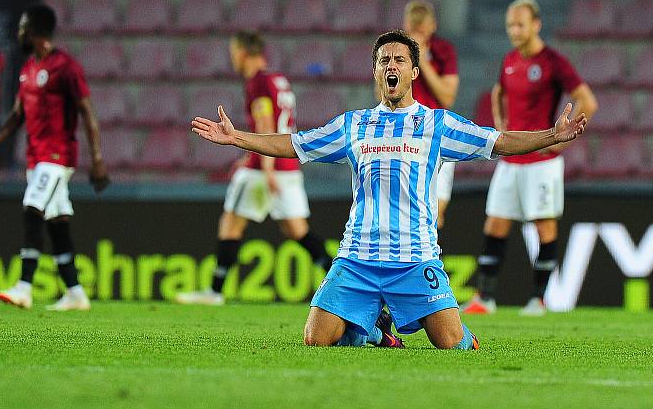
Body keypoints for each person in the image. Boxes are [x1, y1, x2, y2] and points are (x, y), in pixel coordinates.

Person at [189, 30, 587, 349]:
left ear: (414, 72)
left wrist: (551, 135)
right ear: (376, 73)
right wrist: (238, 138)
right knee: (315, 337)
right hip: (357, 257)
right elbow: (294, 144)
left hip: (415, 258)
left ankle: (429, 327)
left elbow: (498, 141)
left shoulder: (437, 125)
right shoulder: (354, 125)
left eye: (399, 59)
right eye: (384, 61)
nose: (390, 65)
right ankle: (375, 332)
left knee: (451, 342)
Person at [462, 0, 598, 317]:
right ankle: (485, 297)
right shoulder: (509, 59)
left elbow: (587, 101)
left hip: (542, 163)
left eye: (520, 23)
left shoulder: (552, 62)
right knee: (495, 223)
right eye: (510, 24)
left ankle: (538, 299)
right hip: (511, 160)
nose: (514, 29)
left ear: (536, 24)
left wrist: (559, 144)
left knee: (544, 227)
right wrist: (500, 125)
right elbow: (498, 92)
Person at [175, 30, 333, 306]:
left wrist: (266, 167)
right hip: (289, 164)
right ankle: (341, 283)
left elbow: (265, 125)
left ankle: (214, 291)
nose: (232, 58)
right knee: (298, 231)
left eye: (234, 52)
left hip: (265, 168)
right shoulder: (277, 79)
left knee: (231, 224)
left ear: (245, 52)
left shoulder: (258, 82)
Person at [0, 3, 110, 311]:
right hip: (36, 158)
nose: (19, 32)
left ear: (36, 31)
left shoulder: (65, 66)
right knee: (57, 223)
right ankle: (76, 293)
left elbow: (87, 111)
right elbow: (17, 115)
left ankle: (24, 287)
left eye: (23, 27)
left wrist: (98, 158)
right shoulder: (27, 70)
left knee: (31, 209)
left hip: (57, 155)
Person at [402, 0, 460, 231]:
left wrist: (423, 62)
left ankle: (426, 260)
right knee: (404, 207)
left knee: (435, 212)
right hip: (404, 134)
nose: (418, 36)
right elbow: (382, 92)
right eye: (413, 31)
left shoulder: (443, 51)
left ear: (432, 27)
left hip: (436, 134)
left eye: (421, 31)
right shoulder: (397, 53)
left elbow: (447, 97)